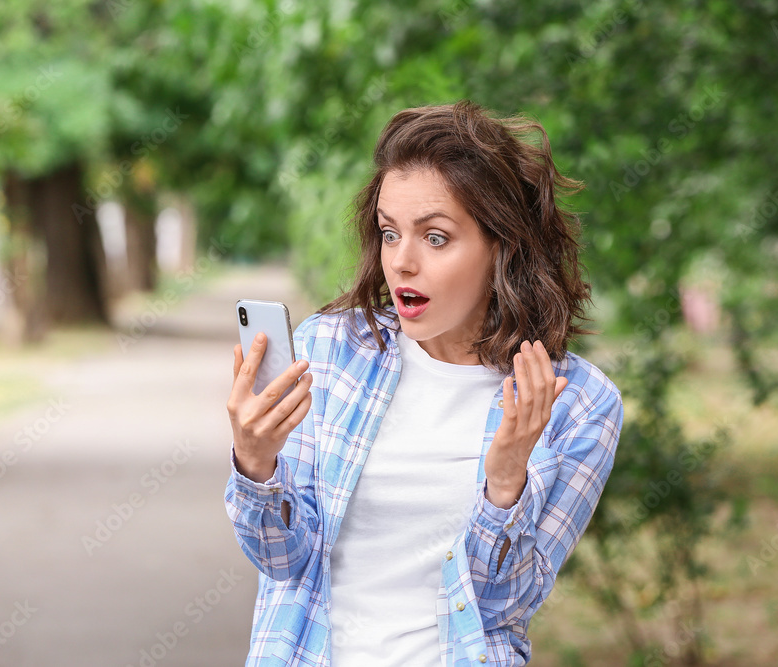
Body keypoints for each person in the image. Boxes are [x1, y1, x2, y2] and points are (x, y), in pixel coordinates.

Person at [224, 100, 623, 666]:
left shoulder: (578, 405)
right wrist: (255, 464)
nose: (402, 263)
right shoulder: (331, 351)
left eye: (435, 238)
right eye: (390, 233)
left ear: (501, 247)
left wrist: (506, 482)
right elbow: (283, 560)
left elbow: (504, 605)